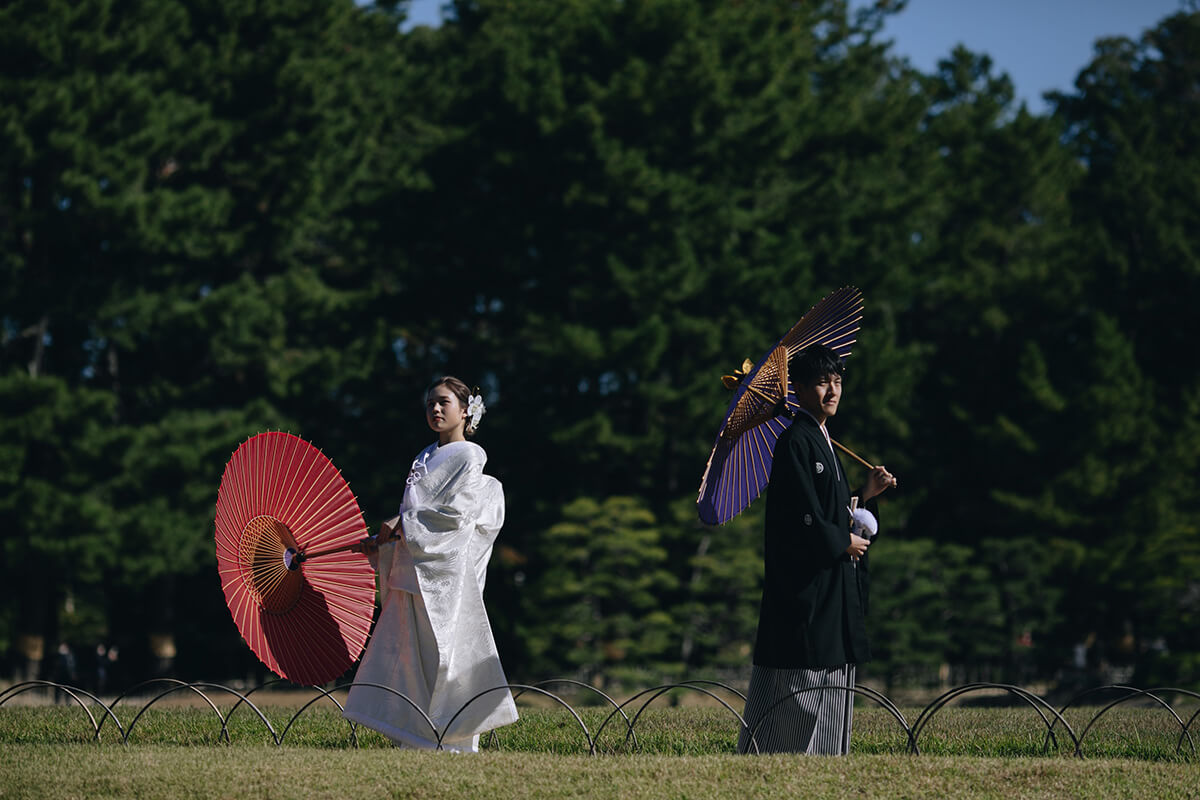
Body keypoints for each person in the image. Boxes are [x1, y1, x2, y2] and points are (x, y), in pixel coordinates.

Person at [343, 376, 518, 751]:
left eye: (443, 403)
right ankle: (416, 735)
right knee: (408, 658)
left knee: (445, 656)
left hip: (443, 574)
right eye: (429, 404)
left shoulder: (471, 455)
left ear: (464, 410)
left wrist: (403, 524)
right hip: (412, 569)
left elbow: (456, 516)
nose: (435, 410)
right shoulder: (422, 456)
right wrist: (384, 542)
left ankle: (456, 739)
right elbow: (416, 513)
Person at [738, 344, 897, 755]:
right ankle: (778, 762)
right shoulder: (795, 442)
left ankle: (823, 763)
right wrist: (839, 539)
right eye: (822, 382)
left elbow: (832, 510)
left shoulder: (822, 439)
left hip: (831, 586)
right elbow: (801, 515)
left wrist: (866, 494)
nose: (832, 391)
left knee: (831, 674)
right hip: (805, 588)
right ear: (800, 390)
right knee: (800, 680)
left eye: (838, 381)